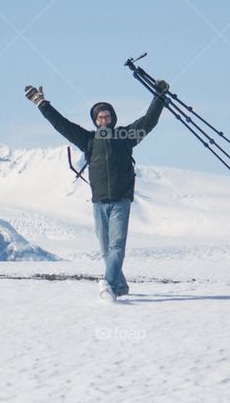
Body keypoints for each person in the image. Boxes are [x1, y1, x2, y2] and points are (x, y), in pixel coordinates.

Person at [24, 80, 169, 301]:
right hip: (99, 201)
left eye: (108, 117)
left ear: (113, 119)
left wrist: (159, 97)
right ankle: (120, 286)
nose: (104, 120)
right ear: (95, 120)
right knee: (105, 250)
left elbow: (148, 121)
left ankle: (108, 284)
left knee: (117, 246)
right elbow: (61, 124)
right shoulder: (88, 140)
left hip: (121, 200)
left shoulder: (125, 137)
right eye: (100, 117)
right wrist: (42, 104)